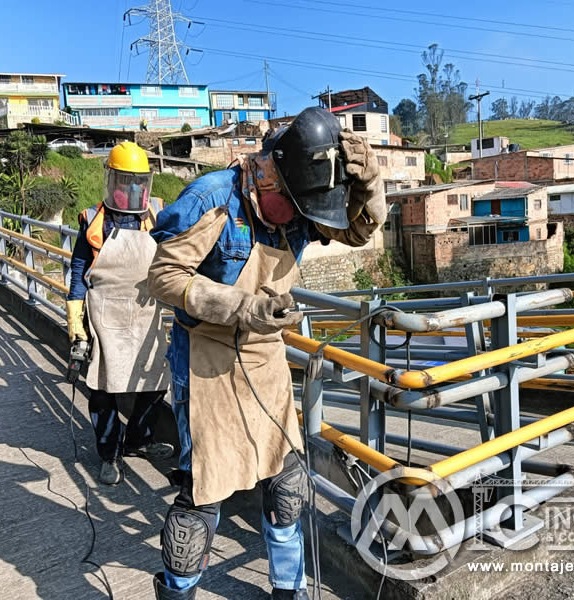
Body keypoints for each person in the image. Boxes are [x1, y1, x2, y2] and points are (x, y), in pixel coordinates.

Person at [146, 107, 386, 599]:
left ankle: (287, 590)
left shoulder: (299, 206)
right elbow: (163, 276)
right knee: (203, 495)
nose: (302, 222)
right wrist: (240, 306)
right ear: (269, 180)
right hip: (207, 359)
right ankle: (178, 591)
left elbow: (359, 232)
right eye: (297, 208)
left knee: (287, 483)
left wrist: (368, 186)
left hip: (264, 359)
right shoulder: (213, 198)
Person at [66, 141, 173, 485]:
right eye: (125, 180)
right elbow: (79, 272)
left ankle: (138, 441)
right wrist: (75, 323)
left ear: (146, 182)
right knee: (104, 389)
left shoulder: (157, 215)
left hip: (146, 312)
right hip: (105, 316)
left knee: (155, 384)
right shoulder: (94, 222)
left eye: (138, 181)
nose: (132, 188)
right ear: (111, 180)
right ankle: (109, 454)